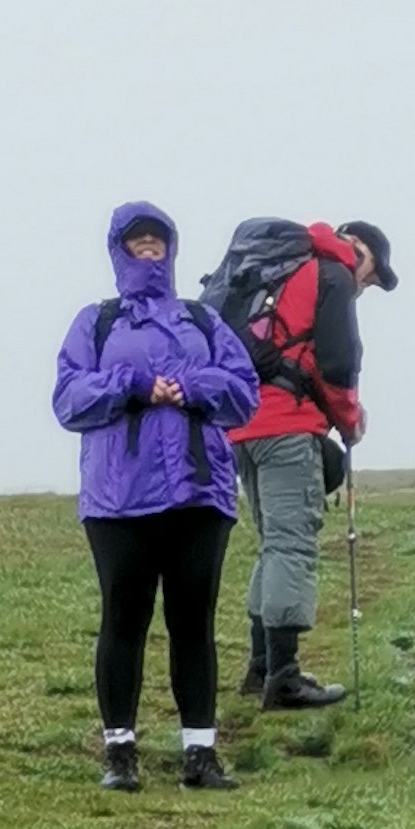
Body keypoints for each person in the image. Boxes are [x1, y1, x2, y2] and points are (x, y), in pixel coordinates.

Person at [51, 199, 261, 791]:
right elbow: (69, 399)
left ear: (170, 247)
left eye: (157, 240)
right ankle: (120, 752)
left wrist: (189, 387)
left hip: (200, 492)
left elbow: (244, 390)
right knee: (124, 617)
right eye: (137, 241)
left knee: (194, 619)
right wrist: (135, 386)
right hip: (118, 499)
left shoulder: (202, 319)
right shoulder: (96, 322)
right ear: (119, 249)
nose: (149, 249)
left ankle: (201, 753)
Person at [208, 217, 396, 709]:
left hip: (241, 427)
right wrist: (350, 419)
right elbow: (337, 363)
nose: (367, 284)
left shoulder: (280, 270)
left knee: (273, 546)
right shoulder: (330, 273)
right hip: (287, 427)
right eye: (373, 273)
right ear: (356, 248)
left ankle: (260, 668)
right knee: (292, 546)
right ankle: (284, 678)